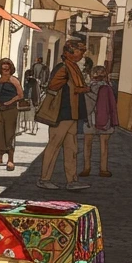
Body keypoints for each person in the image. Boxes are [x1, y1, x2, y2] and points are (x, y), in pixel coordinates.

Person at [39, 39, 91, 191]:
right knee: (54, 146)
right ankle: (44, 179)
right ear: (69, 52)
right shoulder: (63, 67)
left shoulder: (72, 66)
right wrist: (79, 89)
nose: (81, 54)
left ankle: (72, 180)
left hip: (72, 114)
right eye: (79, 51)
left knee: (72, 149)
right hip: (61, 113)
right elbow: (53, 85)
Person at [81, 65, 119, 178]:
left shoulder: (87, 87)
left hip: (89, 120)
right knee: (104, 145)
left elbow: (83, 105)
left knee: (87, 144)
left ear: (92, 75)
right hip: (105, 120)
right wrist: (114, 120)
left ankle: (86, 168)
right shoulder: (108, 88)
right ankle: (103, 169)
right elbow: (113, 106)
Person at [0, 58, 23, 171]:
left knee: (9, 135)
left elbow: (20, 95)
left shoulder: (14, 80)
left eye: (7, 69)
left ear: (10, 69)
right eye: (3, 69)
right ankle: (0, 156)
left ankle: (11, 159)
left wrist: (9, 102)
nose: (5, 71)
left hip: (10, 111)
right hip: (0, 110)